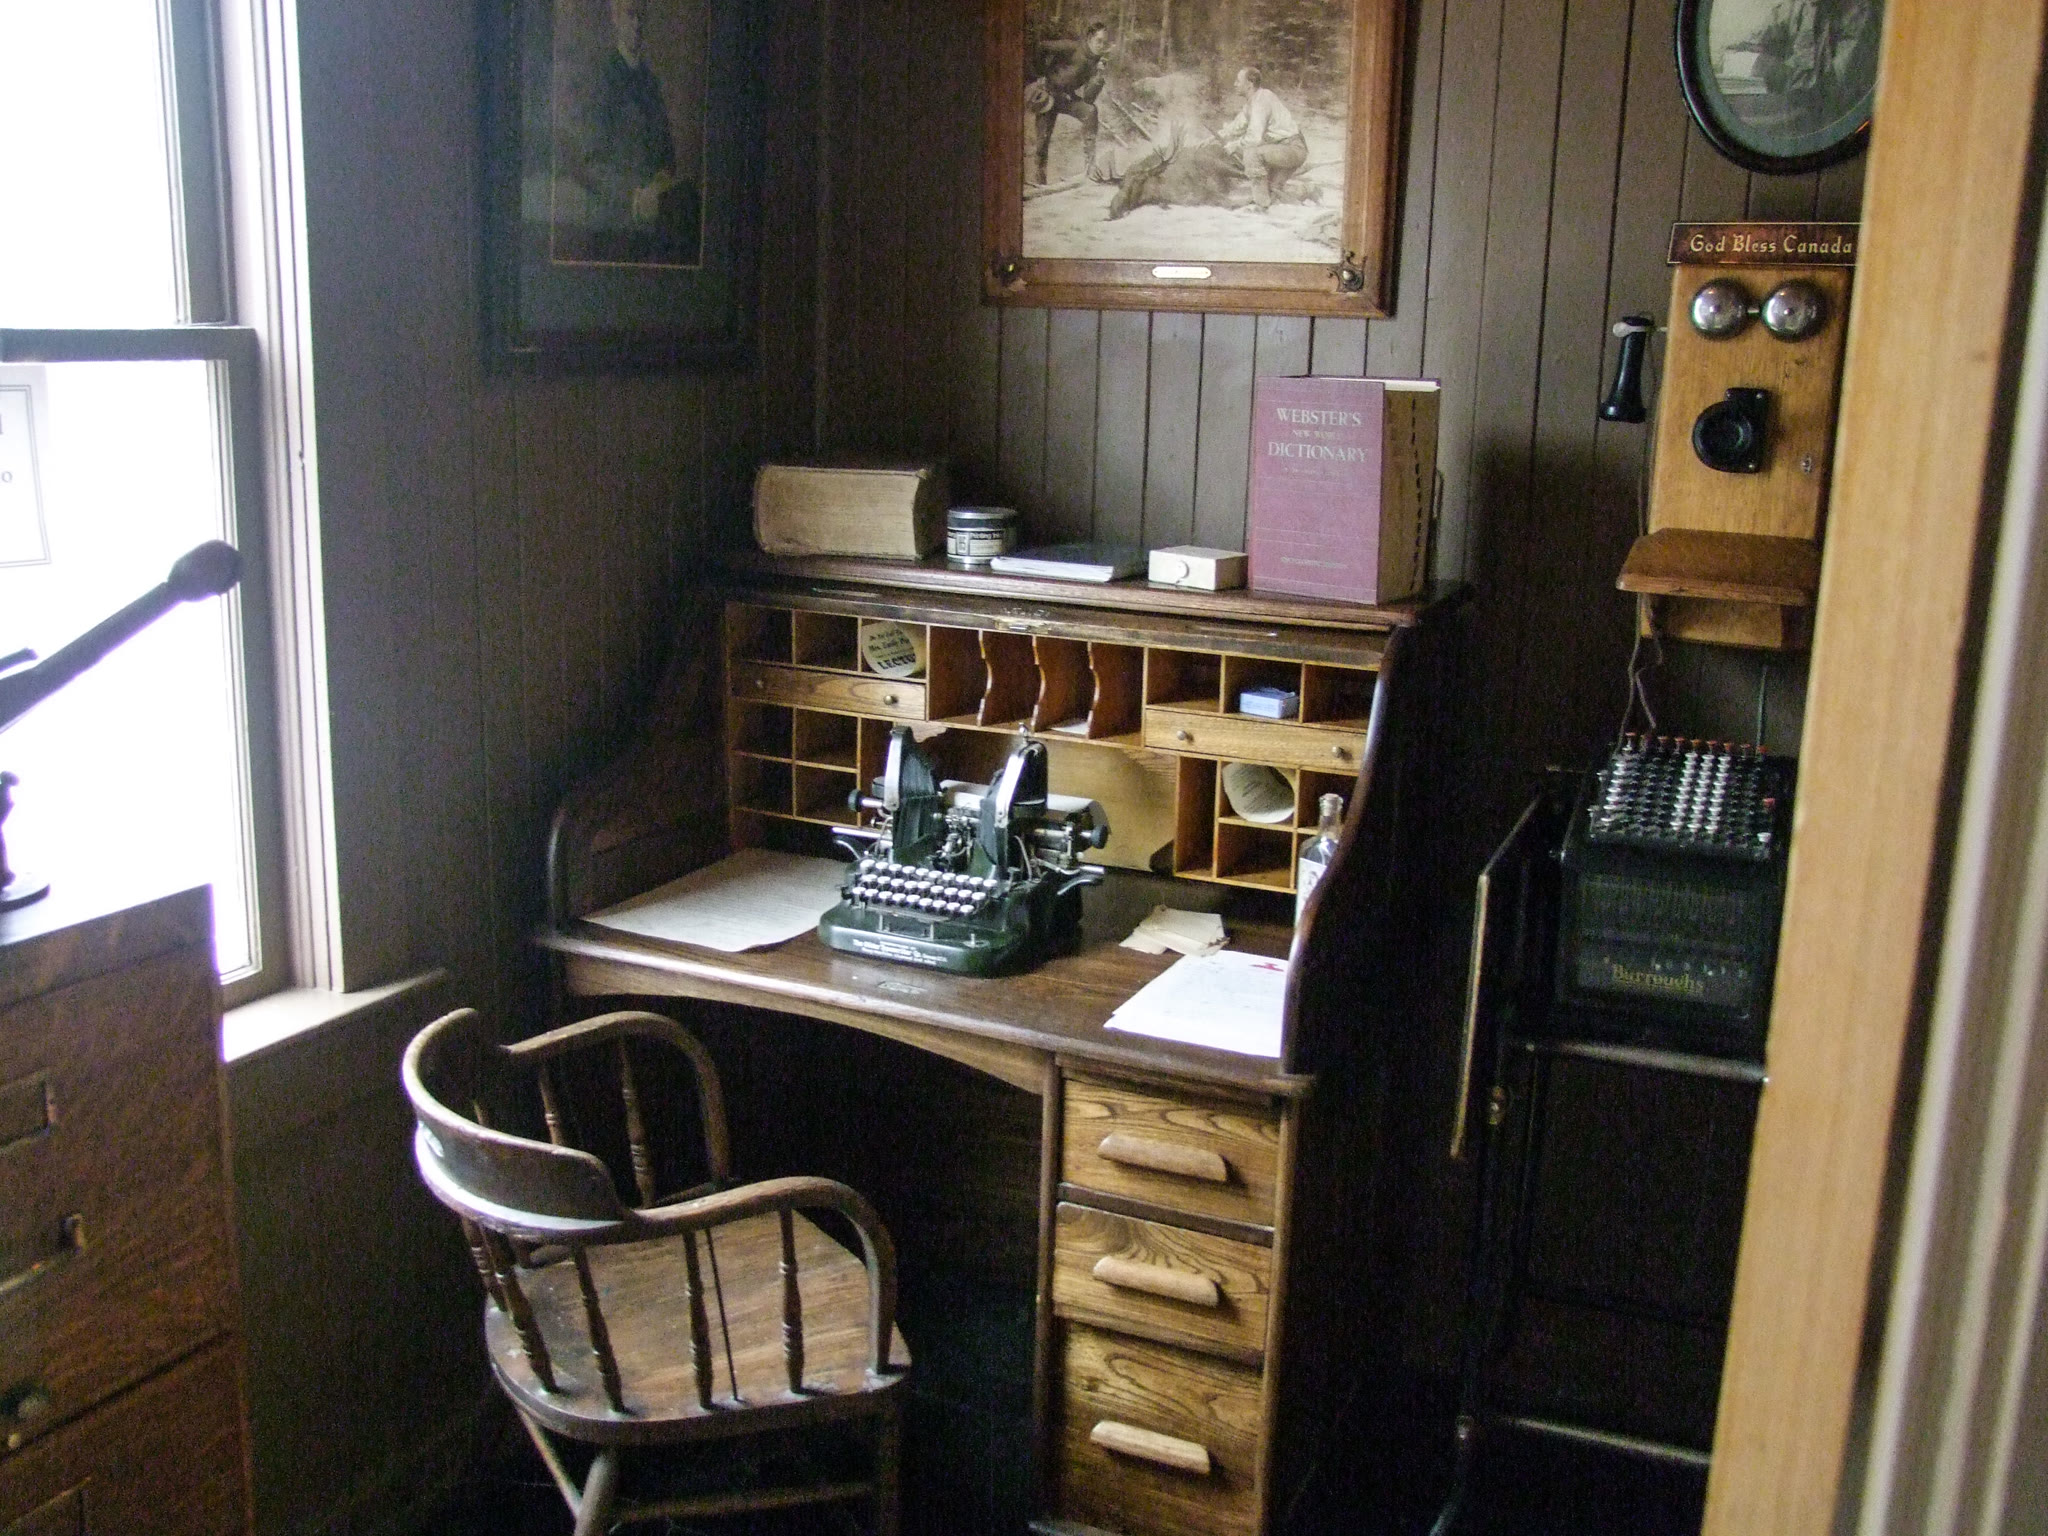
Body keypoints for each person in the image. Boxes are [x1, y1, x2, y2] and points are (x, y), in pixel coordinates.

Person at [567, 0, 701, 264]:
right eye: (630, 15)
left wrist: (657, 186)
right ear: (615, 18)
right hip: (614, 218)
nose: (637, 25)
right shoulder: (602, 78)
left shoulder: (650, 82)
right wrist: (634, 195)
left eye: (641, 17)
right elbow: (589, 164)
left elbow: (667, 156)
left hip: (653, 213)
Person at [1026, 21, 1113, 185]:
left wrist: (1098, 76)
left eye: (1104, 43)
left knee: (1090, 111)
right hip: (1047, 94)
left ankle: (1090, 167)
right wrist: (1039, 74)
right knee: (1042, 142)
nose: (1101, 46)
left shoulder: (1097, 62)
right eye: (1099, 41)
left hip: (1066, 99)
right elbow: (1042, 46)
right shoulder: (1072, 47)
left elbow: (1088, 98)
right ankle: (1039, 180)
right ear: (1090, 38)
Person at [1216, 66, 1309, 212]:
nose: (1234, 84)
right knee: (1274, 191)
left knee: (1252, 154)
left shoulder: (1262, 100)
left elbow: (1254, 138)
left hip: (1292, 149)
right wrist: (1214, 138)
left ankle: (1260, 205)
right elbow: (1235, 127)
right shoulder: (1251, 103)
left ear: (1249, 84)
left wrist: (1235, 145)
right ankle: (1303, 193)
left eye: (1238, 81)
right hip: (1282, 149)